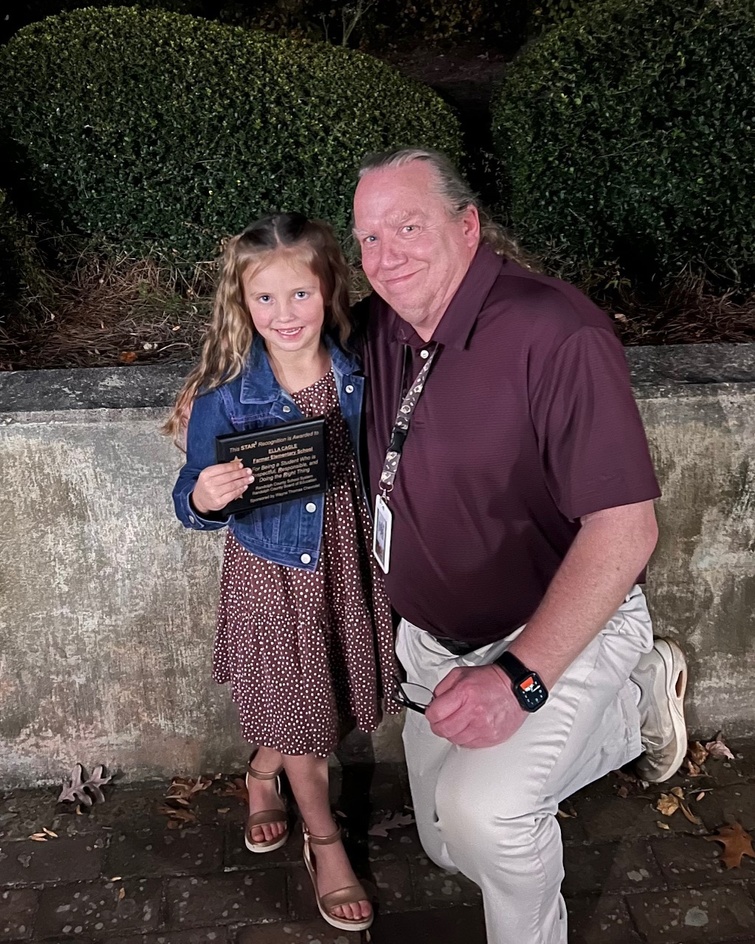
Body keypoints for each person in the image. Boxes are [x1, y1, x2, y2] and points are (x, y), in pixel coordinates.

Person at [351, 148, 688, 944]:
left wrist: (518, 678)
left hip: (551, 634)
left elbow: (626, 527)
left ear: (466, 227)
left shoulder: (554, 333)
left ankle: (629, 691)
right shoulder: (378, 326)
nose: (384, 255)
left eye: (406, 226)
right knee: (443, 845)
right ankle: (633, 706)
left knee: (486, 818)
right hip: (433, 644)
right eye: (367, 237)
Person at [167, 213, 399, 934]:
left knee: (312, 700)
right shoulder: (228, 393)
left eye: (299, 294)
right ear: (240, 304)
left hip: (346, 558)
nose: (283, 315)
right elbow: (190, 492)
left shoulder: (356, 367)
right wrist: (202, 497)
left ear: (328, 288)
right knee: (302, 711)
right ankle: (324, 844)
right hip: (273, 570)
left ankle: (261, 772)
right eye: (263, 299)